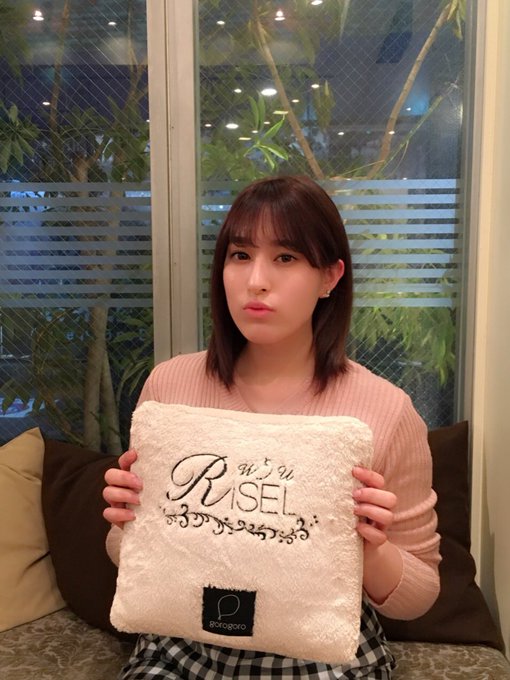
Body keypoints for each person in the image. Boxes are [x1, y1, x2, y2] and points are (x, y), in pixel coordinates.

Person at [103, 175, 440, 679]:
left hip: (321, 655)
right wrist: (127, 523)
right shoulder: (169, 388)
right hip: (183, 646)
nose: (256, 280)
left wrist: (370, 550)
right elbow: (130, 556)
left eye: (285, 257)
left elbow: (420, 594)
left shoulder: (384, 412)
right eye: (240, 255)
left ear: (330, 277)